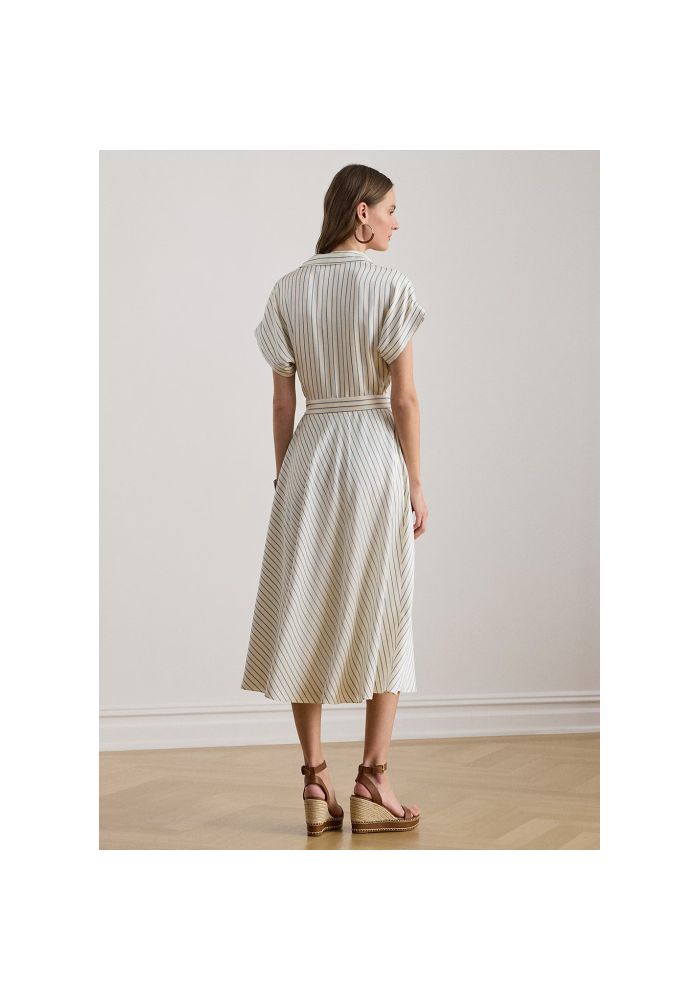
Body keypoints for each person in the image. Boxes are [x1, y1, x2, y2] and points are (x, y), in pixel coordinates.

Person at [241, 164, 428, 835]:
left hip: (311, 452)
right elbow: (403, 400)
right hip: (374, 454)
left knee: (305, 610)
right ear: (362, 213)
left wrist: (284, 475)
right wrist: (416, 479)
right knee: (387, 608)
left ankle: (315, 780)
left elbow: (281, 402)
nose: (397, 222)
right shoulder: (391, 287)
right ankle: (373, 777)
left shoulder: (288, 289)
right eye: (391, 210)